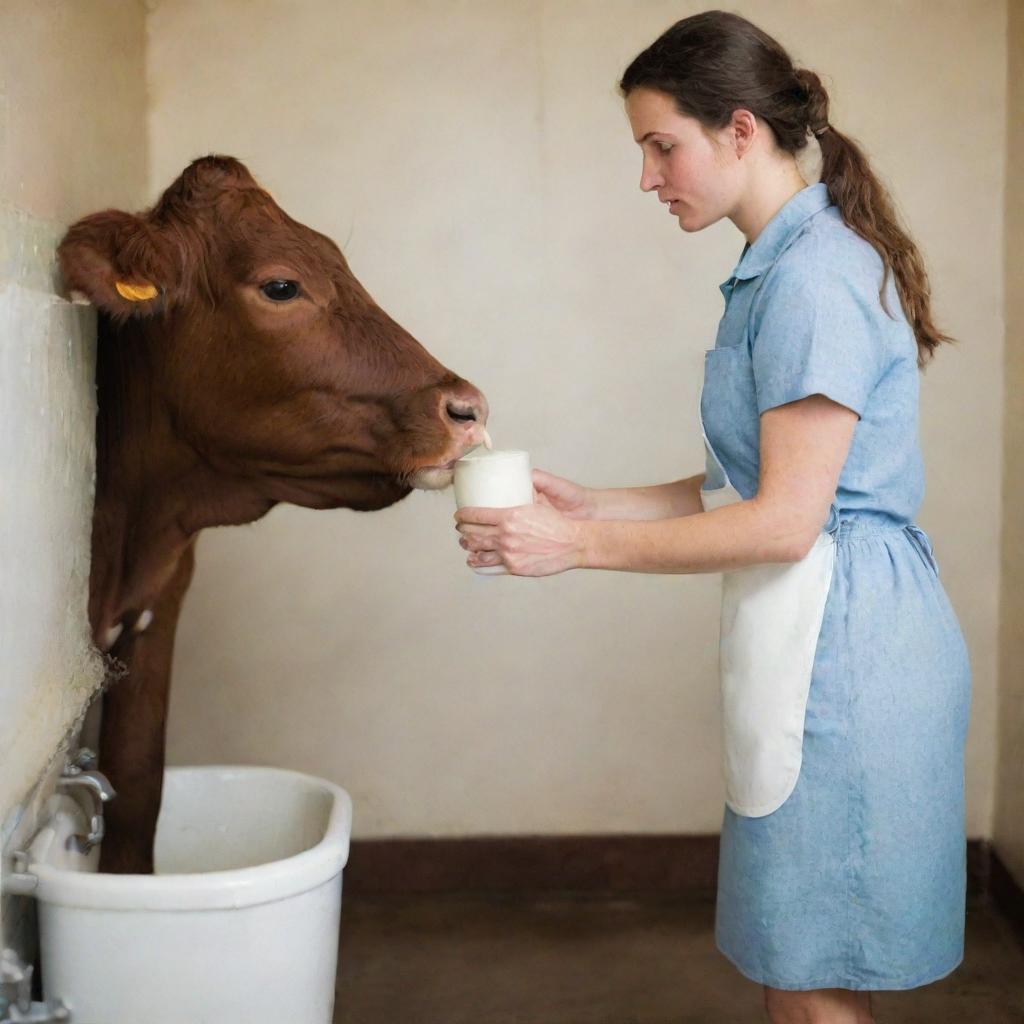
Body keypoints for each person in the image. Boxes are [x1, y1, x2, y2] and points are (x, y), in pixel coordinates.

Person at [454, 9, 972, 1024]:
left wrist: (576, 547)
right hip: (814, 628)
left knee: (815, 979)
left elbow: (782, 522)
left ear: (739, 131)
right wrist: (583, 497)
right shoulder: (773, 268)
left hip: (848, 655)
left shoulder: (814, 279)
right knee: (800, 962)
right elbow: (738, 483)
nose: (648, 177)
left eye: (661, 146)